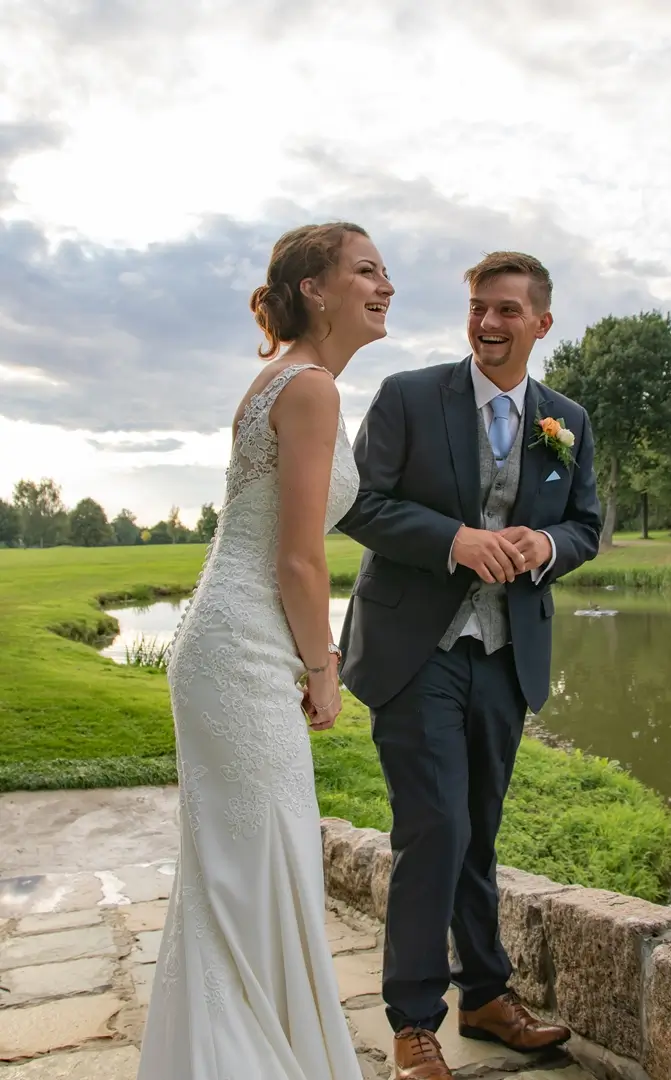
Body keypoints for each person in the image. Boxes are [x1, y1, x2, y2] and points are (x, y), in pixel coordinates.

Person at [137, 222, 394, 1080]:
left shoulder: (279, 379)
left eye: (384, 271)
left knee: (242, 868)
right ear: (316, 289)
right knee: (254, 863)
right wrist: (323, 669)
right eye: (365, 271)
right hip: (245, 653)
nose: (384, 285)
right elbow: (297, 556)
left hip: (227, 641)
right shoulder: (311, 385)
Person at [337, 252, 602, 1080]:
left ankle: (486, 997)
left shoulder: (567, 421)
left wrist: (545, 544)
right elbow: (361, 505)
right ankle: (415, 1022)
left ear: (541, 324)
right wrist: (454, 539)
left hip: (506, 653)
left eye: (507, 312)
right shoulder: (410, 397)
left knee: (478, 831)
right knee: (436, 827)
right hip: (415, 651)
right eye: (478, 309)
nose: (488, 324)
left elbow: (587, 525)